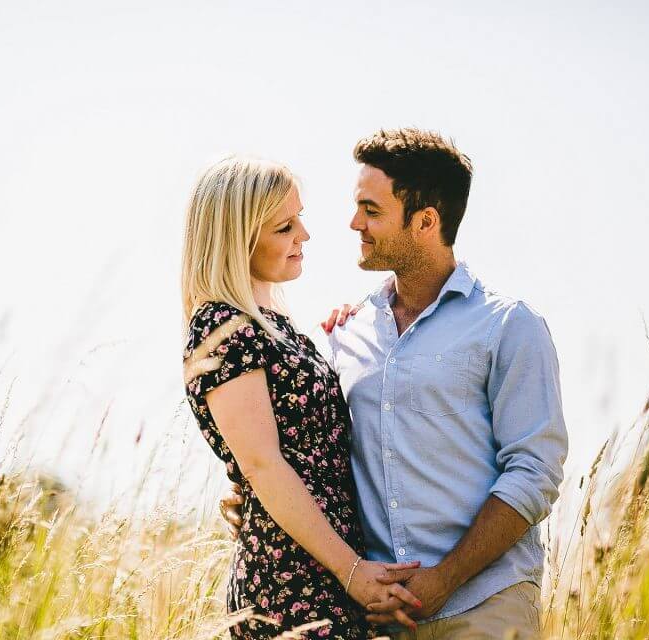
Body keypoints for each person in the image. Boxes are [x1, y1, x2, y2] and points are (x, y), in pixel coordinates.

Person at [221, 129, 569, 639]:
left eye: (372, 210)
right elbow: (298, 439)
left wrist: (444, 580)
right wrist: (243, 488)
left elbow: (535, 470)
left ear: (426, 221)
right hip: (376, 617)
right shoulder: (344, 333)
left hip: (485, 606)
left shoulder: (508, 327)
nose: (353, 223)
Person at [181, 155, 422, 639]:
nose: (304, 236)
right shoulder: (222, 327)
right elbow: (263, 465)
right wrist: (350, 571)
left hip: (329, 570)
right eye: (284, 227)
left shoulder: (276, 328)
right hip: (289, 583)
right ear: (238, 237)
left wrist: (350, 331)